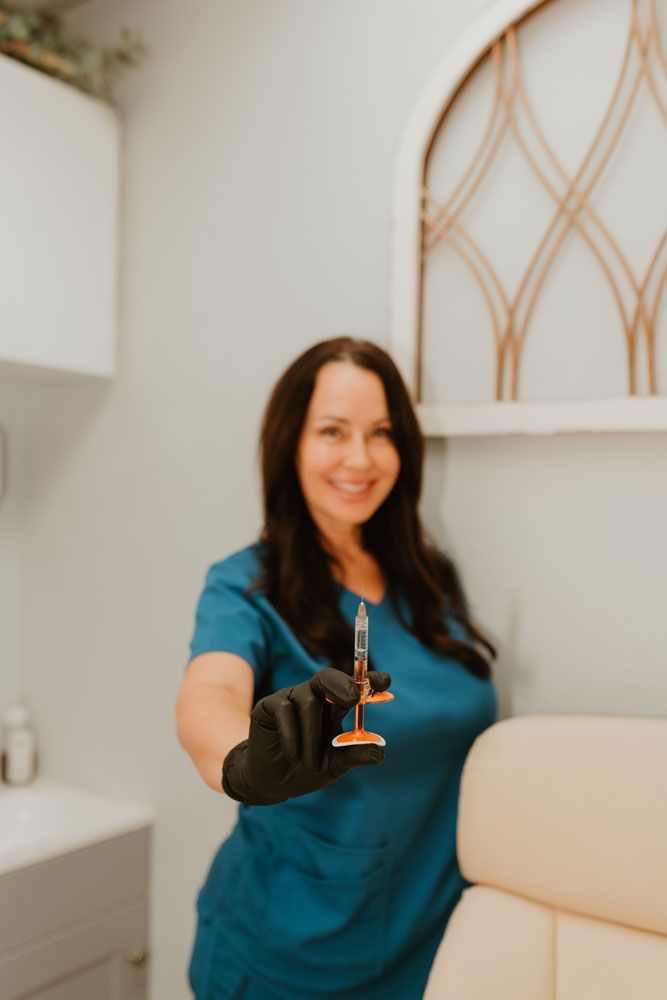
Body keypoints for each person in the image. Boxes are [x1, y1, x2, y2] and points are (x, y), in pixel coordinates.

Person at [176, 337, 497, 1000]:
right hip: (288, 957)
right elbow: (208, 695)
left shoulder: (430, 582)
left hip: (429, 944)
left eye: (379, 433)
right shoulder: (244, 588)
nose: (359, 458)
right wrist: (245, 761)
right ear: (289, 444)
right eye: (331, 431)